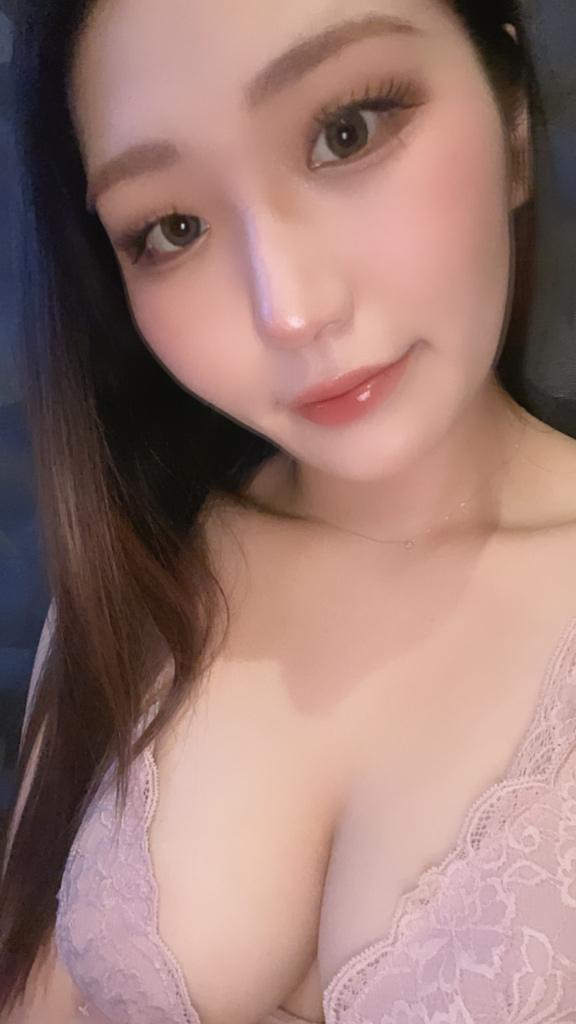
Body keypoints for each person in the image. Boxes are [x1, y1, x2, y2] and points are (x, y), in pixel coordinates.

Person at [1, 0, 576, 1021]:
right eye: (173, 228)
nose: (293, 309)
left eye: (346, 131)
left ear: (515, 123)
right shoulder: (141, 565)